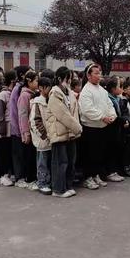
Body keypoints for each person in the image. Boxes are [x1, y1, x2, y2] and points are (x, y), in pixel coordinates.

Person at [46, 66, 82, 198]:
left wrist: (75, 130)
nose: (70, 81)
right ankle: (58, 189)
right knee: (60, 162)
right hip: (59, 132)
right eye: (68, 78)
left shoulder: (69, 93)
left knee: (70, 161)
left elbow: (74, 112)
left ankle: (67, 185)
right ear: (60, 78)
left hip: (71, 133)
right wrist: (77, 127)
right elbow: (63, 114)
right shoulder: (54, 93)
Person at [78, 64, 116, 190]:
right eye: (96, 73)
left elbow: (109, 104)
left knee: (99, 153)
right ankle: (87, 178)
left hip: (102, 127)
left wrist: (111, 115)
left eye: (99, 73)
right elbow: (87, 110)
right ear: (89, 76)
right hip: (91, 128)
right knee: (89, 154)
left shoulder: (102, 90)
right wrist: (101, 117)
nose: (99, 75)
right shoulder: (86, 91)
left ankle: (96, 175)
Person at [9, 65, 31, 188]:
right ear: (23, 76)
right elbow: (18, 111)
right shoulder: (18, 90)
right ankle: (19, 177)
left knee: (23, 154)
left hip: (21, 127)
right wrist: (21, 129)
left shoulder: (21, 88)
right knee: (18, 154)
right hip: (17, 127)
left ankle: (23, 176)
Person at [30, 76, 53, 194]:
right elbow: (35, 122)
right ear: (41, 88)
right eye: (47, 88)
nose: (49, 90)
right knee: (42, 162)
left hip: (50, 138)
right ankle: (42, 182)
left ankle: (48, 181)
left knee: (48, 161)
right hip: (43, 139)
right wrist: (44, 136)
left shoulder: (50, 101)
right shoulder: (37, 103)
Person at [17, 70, 38, 190]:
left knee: (33, 155)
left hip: (34, 131)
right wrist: (25, 132)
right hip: (28, 131)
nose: (37, 82)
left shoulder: (33, 93)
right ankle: (29, 179)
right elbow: (23, 115)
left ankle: (33, 178)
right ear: (29, 81)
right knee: (28, 156)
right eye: (36, 80)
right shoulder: (24, 95)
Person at [0, 69, 17, 186]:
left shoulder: (13, 93)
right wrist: (2, 131)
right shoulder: (3, 95)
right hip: (4, 131)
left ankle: (11, 173)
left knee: (10, 153)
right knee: (4, 153)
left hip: (12, 130)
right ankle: (4, 175)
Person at [104, 77, 126, 181]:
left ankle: (115, 171)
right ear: (112, 89)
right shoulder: (108, 99)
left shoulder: (118, 99)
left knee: (116, 150)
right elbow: (113, 115)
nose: (121, 89)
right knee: (110, 151)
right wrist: (122, 121)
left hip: (118, 128)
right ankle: (110, 172)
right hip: (111, 128)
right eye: (119, 86)